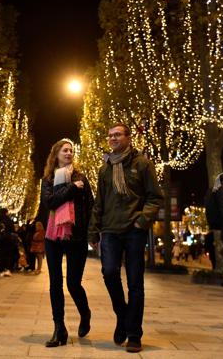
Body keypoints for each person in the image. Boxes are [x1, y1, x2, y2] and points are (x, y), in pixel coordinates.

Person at [88, 123, 163, 353]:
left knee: (135, 283)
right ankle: (123, 316)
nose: (112, 138)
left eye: (117, 135)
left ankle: (134, 334)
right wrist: (93, 229)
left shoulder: (142, 164)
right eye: (110, 135)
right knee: (109, 273)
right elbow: (99, 201)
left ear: (128, 138)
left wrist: (142, 221)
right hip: (110, 229)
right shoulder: (105, 168)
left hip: (134, 230)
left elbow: (155, 197)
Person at [41, 138, 94, 347]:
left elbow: (91, 206)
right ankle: (59, 328)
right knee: (55, 283)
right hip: (53, 236)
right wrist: (72, 188)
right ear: (56, 154)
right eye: (65, 150)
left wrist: (93, 234)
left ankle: (85, 312)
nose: (69, 153)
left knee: (73, 283)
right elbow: (50, 202)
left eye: (71, 150)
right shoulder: (47, 179)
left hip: (77, 235)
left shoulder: (82, 177)